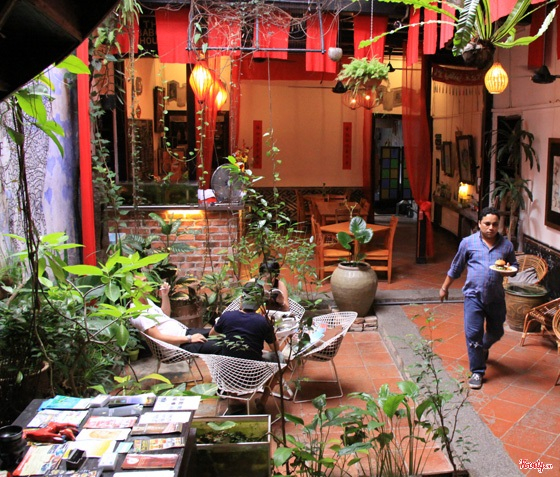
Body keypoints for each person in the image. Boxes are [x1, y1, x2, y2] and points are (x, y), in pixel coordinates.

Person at [439, 206, 518, 390]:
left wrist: (510, 270)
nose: (491, 228)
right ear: (479, 223)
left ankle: (483, 347)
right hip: (473, 296)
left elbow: (514, 266)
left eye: (495, 224)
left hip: (496, 297)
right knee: (473, 334)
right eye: (487, 223)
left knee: (497, 332)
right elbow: (456, 268)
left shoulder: (506, 245)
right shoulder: (468, 243)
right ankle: (477, 371)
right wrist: (444, 287)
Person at [130, 281, 222, 355]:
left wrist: (165, 295)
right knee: (221, 346)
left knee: (221, 333)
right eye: (144, 281)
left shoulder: (146, 301)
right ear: (133, 288)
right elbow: (158, 337)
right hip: (177, 346)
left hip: (183, 334)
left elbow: (165, 315)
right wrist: (189, 339)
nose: (148, 283)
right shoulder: (138, 312)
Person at [211, 281, 282, 362]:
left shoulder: (227, 316)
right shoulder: (263, 321)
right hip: (253, 368)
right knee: (279, 355)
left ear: (241, 299)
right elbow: (275, 348)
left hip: (227, 367)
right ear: (260, 302)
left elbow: (212, 335)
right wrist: (271, 327)